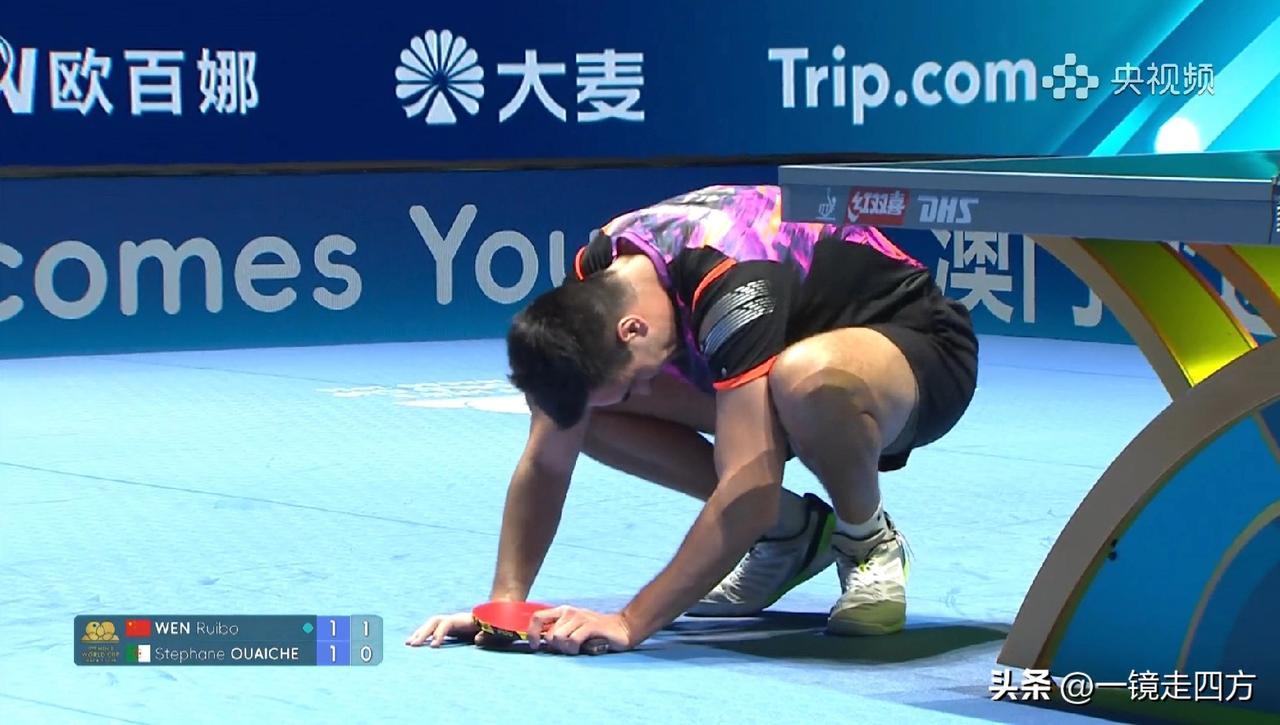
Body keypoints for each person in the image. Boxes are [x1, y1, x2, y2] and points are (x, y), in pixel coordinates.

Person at [406, 185, 978, 654]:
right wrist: (504, 608)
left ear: (632, 330)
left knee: (804, 380)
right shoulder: (601, 274)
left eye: (634, 379)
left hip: (913, 353)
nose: (643, 395)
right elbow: (547, 462)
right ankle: (795, 535)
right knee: (582, 413)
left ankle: (867, 540)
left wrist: (630, 622)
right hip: (782, 347)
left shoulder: (734, 287)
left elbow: (749, 491)